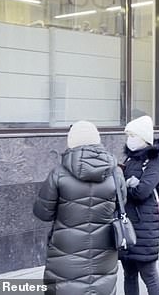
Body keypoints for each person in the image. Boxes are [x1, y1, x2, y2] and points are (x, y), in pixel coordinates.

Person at [33, 121, 124, 295]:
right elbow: (121, 204)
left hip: (65, 251)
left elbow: (43, 213)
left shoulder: (58, 173)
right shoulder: (115, 172)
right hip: (104, 250)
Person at [121, 115, 159, 295]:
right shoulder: (130, 159)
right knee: (129, 274)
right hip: (126, 225)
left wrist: (125, 186)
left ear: (144, 138)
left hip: (144, 226)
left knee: (149, 274)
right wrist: (128, 184)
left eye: (133, 135)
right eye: (128, 135)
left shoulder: (154, 160)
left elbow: (142, 191)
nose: (130, 139)